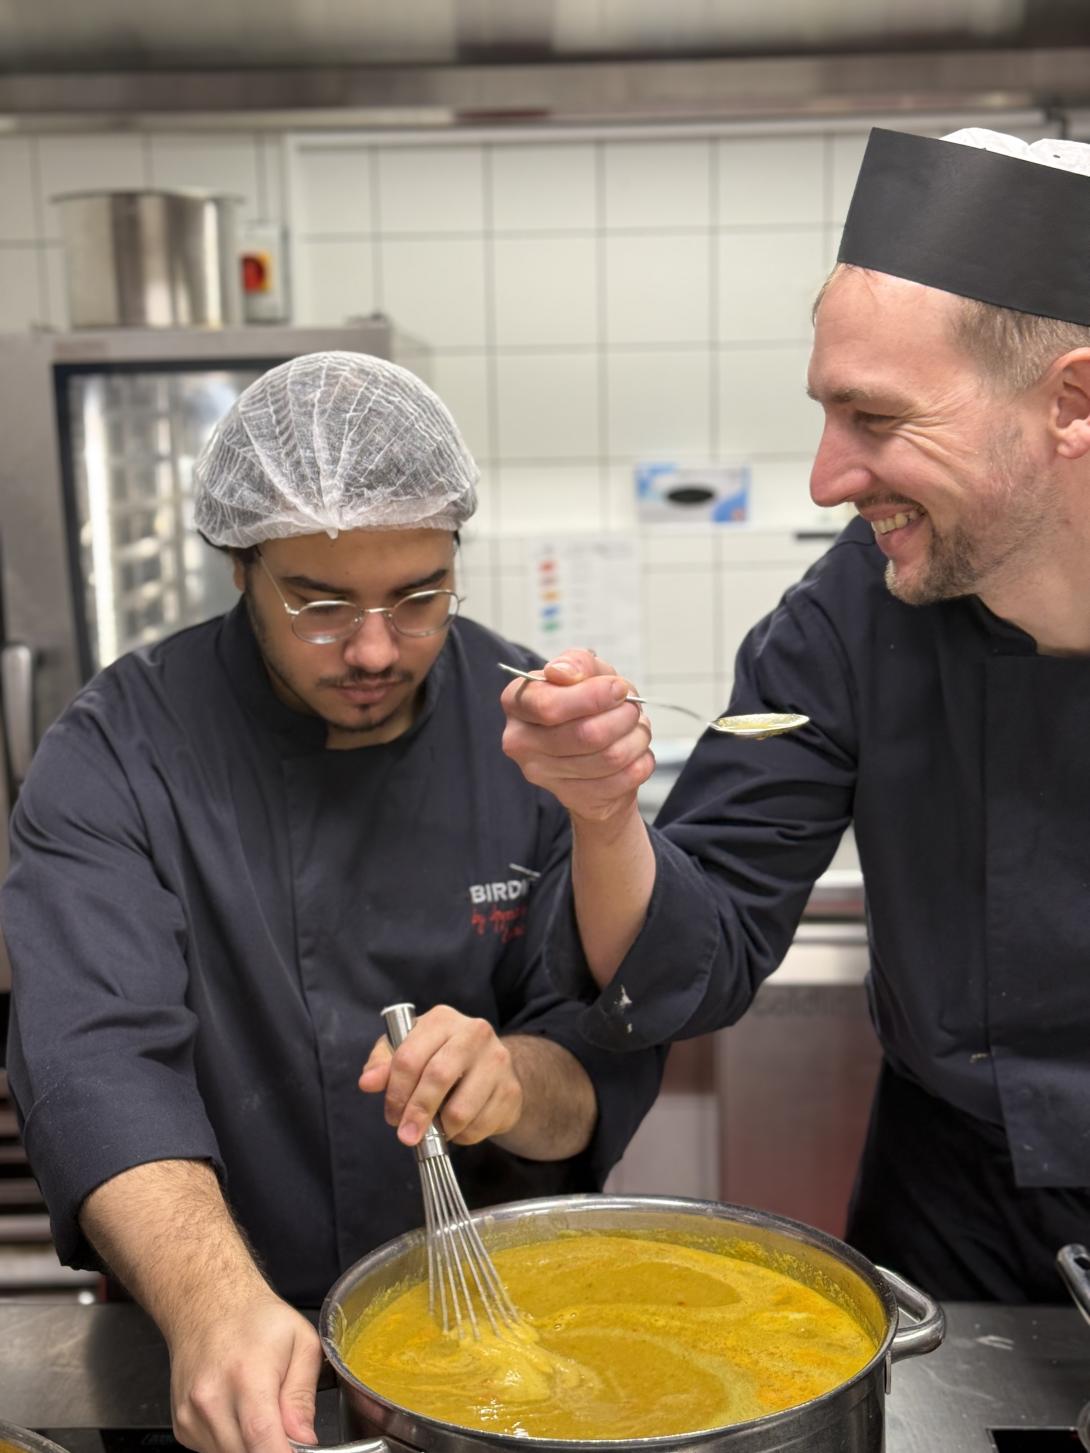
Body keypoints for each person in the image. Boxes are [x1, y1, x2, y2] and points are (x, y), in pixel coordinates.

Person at [0, 352, 664, 1453]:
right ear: (239, 569)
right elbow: (94, 1058)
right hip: (205, 1330)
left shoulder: (532, 739)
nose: (371, 649)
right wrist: (213, 1300)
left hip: (490, 1341)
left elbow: (593, 1061)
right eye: (317, 604)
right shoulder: (118, 752)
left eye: (418, 599)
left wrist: (511, 1080)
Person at [501, 126, 1090, 1305]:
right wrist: (604, 812)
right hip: (953, 1216)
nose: (825, 478)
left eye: (875, 420)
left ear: (1068, 401)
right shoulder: (850, 613)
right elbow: (695, 956)